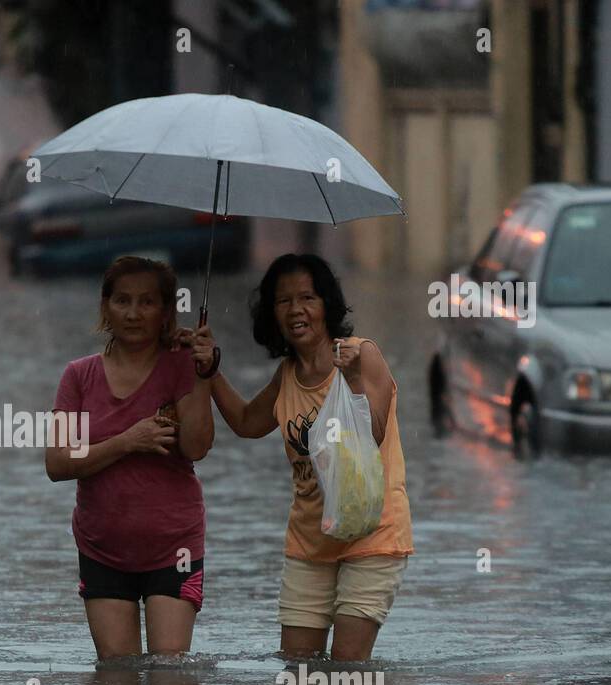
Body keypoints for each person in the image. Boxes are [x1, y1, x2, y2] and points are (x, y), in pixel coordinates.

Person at [193, 253, 413, 662]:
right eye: (283, 301)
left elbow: (375, 432)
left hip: (372, 533)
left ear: (326, 304)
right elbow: (245, 421)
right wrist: (210, 370)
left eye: (307, 297)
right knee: (299, 675)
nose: (296, 309)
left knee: (347, 669)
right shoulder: (287, 374)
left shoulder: (360, 355)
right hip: (311, 541)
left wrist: (353, 381)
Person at [46, 256, 216, 661]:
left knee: (169, 679)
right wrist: (127, 441)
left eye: (147, 302)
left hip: (173, 545)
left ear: (166, 312)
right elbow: (56, 462)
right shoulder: (78, 376)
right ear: (105, 307)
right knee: (116, 682)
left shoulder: (182, 366)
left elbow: (197, 447)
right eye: (122, 301)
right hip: (102, 548)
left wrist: (204, 373)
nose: (134, 313)